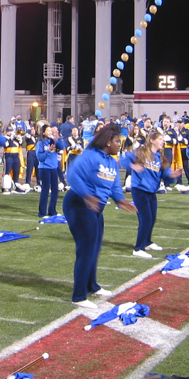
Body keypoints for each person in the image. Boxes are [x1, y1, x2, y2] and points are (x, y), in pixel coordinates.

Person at [63, 124, 137, 308]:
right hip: (79, 203)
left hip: (96, 207)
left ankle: (92, 286)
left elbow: (114, 185)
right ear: (107, 142)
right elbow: (71, 175)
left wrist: (120, 200)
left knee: (95, 246)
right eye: (117, 141)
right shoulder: (90, 156)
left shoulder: (112, 161)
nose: (120, 144)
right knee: (86, 248)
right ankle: (79, 296)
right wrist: (87, 195)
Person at [121, 130, 181, 259]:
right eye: (160, 139)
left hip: (151, 191)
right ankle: (138, 248)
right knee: (146, 219)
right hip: (139, 189)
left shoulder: (161, 157)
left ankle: (147, 242)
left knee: (152, 218)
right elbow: (124, 160)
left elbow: (165, 175)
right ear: (152, 140)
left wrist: (172, 175)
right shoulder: (141, 151)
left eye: (163, 140)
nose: (163, 142)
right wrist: (133, 166)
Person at [36, 124, 67, 218]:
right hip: (44, 168)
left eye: (51, 131)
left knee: (55, 190)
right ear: (43, 132)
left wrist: (57, 138)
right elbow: (40, 158)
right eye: (48, 131)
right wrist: (48, 151)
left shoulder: (53, 141)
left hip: (53, 168)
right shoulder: (40, 143)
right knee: (45, 190)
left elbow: (62, 147)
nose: (50, 132)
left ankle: (52, 211)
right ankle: (42, 212)